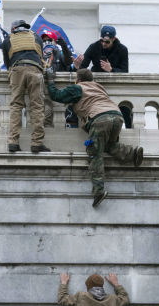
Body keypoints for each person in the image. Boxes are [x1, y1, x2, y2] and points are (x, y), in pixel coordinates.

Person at [46, 68, 144, 207]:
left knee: (94, 153)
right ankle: (133, 154)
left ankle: (99, 191)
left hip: (100, 119)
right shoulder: (99, 87)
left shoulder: (78, 88)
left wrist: (50, 80)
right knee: (108, 145)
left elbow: (56, 95)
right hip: (117, 116)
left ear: (78, 79)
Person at [0, 18, 50, 153]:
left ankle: (13, 142)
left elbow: (7, 62)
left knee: (16, 105)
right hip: (35, 70)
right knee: (37, 106)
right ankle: (36, 143)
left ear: (14, 29)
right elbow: (41, 56)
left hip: (17, 69)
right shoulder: (36, 37)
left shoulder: (8, 39)